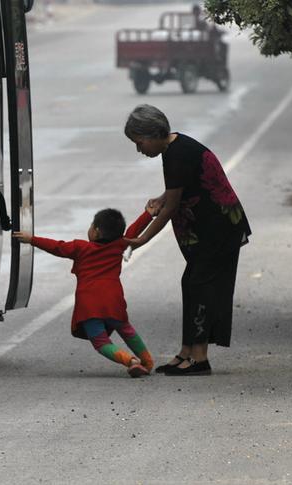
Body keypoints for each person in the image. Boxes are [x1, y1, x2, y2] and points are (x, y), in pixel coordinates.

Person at [124, 104, 251, 376]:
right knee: (191, 283)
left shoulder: (176, 154)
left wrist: (142, 239)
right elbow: (179, 189)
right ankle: (186, 352)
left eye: (139, 142)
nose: (139, 149)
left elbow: (171, 209)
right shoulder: (174, 148)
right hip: (210, 228)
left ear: (154, 134)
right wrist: (163, 197)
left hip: (218, 229)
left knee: (201, 285)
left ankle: (199, 358)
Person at [13, 207, 156, 377]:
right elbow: (135, 230)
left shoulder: (80, 248)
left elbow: (57, 247)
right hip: (113, 300)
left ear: (95, 231)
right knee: (125, 329)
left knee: (101, 342)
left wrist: (32, 239)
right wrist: (148, 213)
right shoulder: (120, 244)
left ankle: (130, 361)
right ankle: (147, 361)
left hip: (89, 304)